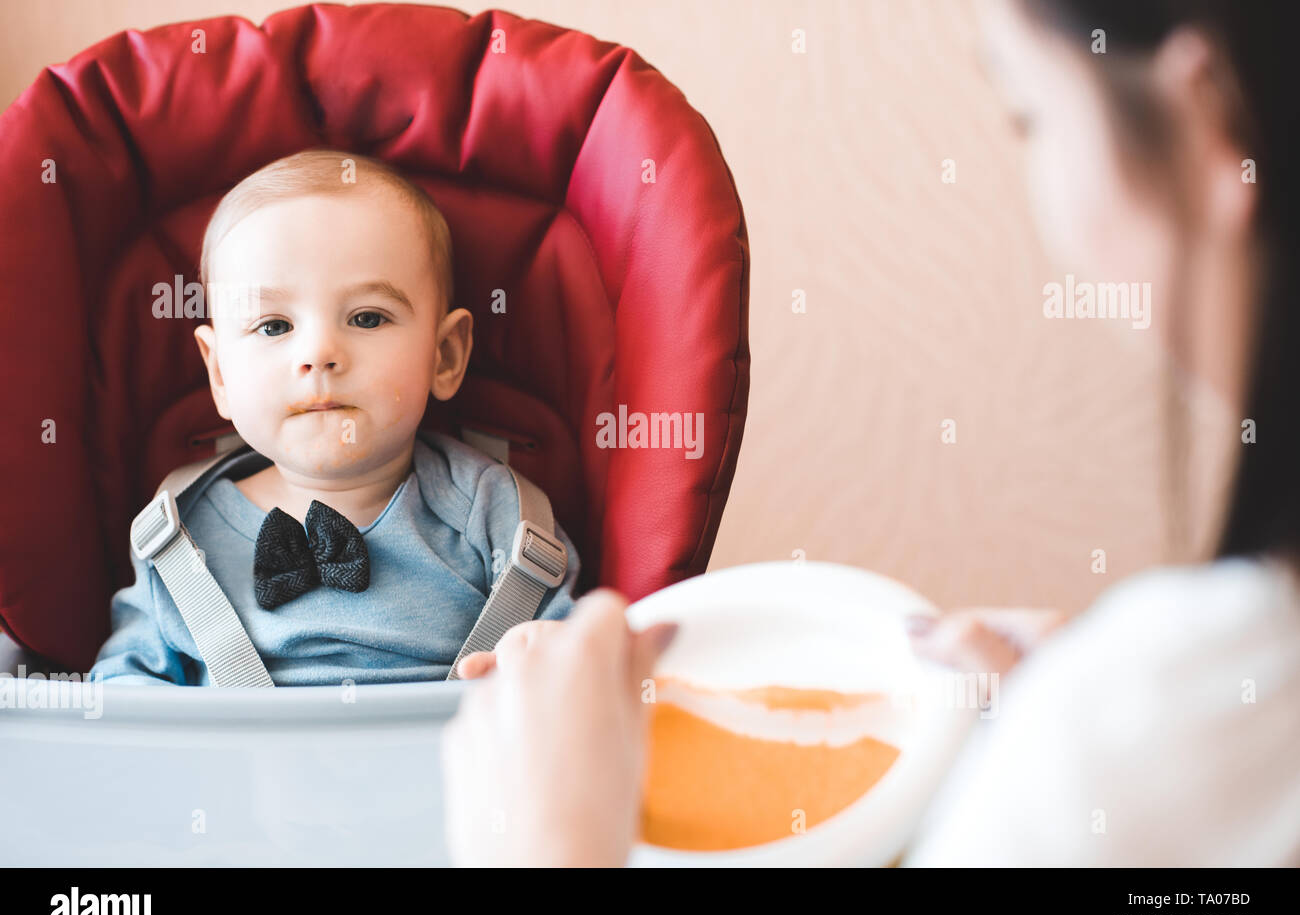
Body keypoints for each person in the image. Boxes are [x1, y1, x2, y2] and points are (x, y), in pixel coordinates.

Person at [440, 0, 1300, 866]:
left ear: (1212, 121)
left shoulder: (1160, 726)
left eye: (1030, 115)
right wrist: (1074, 741)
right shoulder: (1158, 722)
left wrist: (550, 842)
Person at [90, 149, 581, 686]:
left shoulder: (502, 519)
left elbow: (583, 668)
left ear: (445, 356)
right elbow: (122, 694)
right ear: (221, 376)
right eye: (274, 326)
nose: (319, 352)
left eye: (367, 317)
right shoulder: (180, 533)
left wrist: (552, 663)